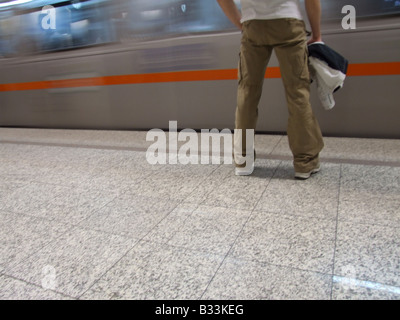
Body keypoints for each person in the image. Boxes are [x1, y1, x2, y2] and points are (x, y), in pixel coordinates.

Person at [217, 0, 325, 179]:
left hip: (253, 24)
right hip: (288, 21)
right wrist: (317, 35)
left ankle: (243, 160)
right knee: (297, 93)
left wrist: (241, 22)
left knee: (247, 93)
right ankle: (304, 162)